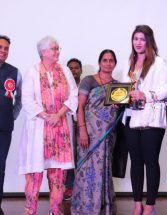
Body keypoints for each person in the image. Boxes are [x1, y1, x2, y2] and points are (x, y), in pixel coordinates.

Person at [17, 36, 78, 215]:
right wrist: (46, 116)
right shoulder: (32, 72)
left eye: (58, 48)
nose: (58, 51)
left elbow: (73, 95)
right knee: (34, 173)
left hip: (60, 129)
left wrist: (58, 115)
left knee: (58, 173)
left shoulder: (65, 71)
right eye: (54, 49)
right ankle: (30, 210)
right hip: (38, 129)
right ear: (43, 52)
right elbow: (27, 99)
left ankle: (55, 209)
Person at [120, 25, 167, 215]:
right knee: (136, 162)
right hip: (132, 120)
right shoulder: (128, 63)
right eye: (135, 39)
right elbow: (125, 89)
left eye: (142, 39)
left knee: (150, 162)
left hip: (152, 121)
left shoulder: (159, 62)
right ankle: (137, 204)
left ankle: (150, 205)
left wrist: (146, 95)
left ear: (149, 41)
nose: (138, 43)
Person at [71, 49, 119, 215]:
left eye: (111, 60)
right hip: (89, 135)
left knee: (104, 170)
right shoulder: (88, 81)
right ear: (99, 63)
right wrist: (82, 131)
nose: (108, 63)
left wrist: (116, 107)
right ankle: (84, 208)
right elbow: (80, 107)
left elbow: (117, 111)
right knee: (86, 170)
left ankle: (103, 208)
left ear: (115, 63)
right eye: (104, 60)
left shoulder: (118, 86)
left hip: (106, 137)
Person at [0, 35, 22, 215]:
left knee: (0, 166)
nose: (3, 51)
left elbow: (20, 98)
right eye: (0, 47)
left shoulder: (14, 72)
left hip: (4, 128)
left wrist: (11, 115)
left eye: (6, 48)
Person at [63, 58, 82, 201]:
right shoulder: (64, 87)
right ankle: (69, 186)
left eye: (76, 68)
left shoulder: (86, 86)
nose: (73, 70)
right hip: (68, 126)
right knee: (69, 157)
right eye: (71, 68)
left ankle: (82, 186)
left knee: (82, 156)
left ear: (81, 70)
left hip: (83, 128)